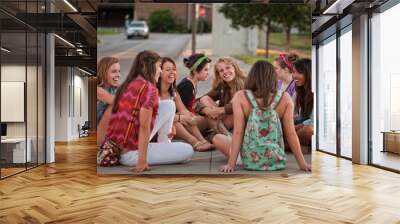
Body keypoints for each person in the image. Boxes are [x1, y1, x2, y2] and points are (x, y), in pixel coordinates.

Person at [105, 50, 193, 172]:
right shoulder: (149, 89)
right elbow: (144, 126)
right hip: (131, 154)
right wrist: (142, 162)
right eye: (158, 67)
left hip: (121, 147)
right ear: (149, 67)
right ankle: (157, 150)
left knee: (168, 104)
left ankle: (164, 143)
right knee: (188, 150)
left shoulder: (130, 83)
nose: (160, 71)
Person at [217, 60, 311, 173]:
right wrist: (302, 164)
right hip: (275, 159)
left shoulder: (240, 97)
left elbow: (238, 132)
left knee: (217, 138)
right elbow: (291, 133)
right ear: (273, 77)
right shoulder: (285, 98)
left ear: (252, 76)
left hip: (250, 160)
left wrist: (230, 165)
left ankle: (237, 159)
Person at [157, 57, 213, 151]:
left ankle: (202, 140)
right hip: (155, 130)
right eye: (168, 70)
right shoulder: (154, 92)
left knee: (185, 115)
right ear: (159, 72)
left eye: (174, 69)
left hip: (170, 128)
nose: (172, 72)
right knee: (174, 119)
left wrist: (189, 117)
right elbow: (156, 117)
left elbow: (183, 110)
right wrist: (181, 117)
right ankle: (194, 142)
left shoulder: (173, 92)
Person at [197, 57, 246, 132]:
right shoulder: (222, 85)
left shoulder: (246, 83)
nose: (225, 72)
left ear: (234, 68)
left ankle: (216, 129)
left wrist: (221, 110)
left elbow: (243, 104)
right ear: (219, 75)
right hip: (221, 119)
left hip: (239, 120)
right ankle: (218, 128)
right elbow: (197, 100)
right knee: (205, 99)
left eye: (227, 68)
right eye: (221, 71)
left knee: (236, 110)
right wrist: (205, 110)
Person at [96, 57, 120, 146]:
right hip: (100, 135)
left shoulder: (114, 89)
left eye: (119, 71)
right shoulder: (98, 90)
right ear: (103, 73)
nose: (118, 75)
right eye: (114, 71)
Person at [292, 58, 313, 146]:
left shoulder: (317, 92)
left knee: (307, 131)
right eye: (293, 72)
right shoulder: (300, 91)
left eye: (299, 72)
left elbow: (313, 121)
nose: (294, 75)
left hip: (312, 128)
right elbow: (300, 116)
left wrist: (294, 127)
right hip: (303, 124)